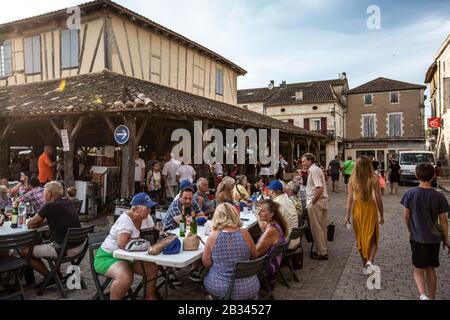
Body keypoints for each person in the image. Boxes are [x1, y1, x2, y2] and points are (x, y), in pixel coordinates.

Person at [94, 193, 159, 300]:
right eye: (147, 208)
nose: (150, 211)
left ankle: (149, 297)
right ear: (135, 209)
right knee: (125, 277)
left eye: (150, 208)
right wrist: (142, 240)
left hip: (130, 257)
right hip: (108, 257)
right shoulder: (125, 220)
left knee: (152, 269)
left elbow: (151, 235)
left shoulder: (147, 218)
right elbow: (122, 244)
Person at [400, 163, 450, 300]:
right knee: (431, 268)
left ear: (417, 175)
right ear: (433, 175)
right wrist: (446, 239)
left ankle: (423, 294)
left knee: (418, 268)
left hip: (418, 237)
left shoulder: (410, 194)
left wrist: (409, 229)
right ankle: (432, 297)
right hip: (434, 237)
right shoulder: (439, 196)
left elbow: (406, 216)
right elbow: (443, 220)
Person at [24, 182, 84, 280]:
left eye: (44, 192)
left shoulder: (48, 206)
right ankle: (57, 273)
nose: (43, 194)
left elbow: (30, 225)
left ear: (50, 193)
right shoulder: (67, 201)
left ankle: (51, 277)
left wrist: (40, 220)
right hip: (80, 246)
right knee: (52, 239)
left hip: (65, 250)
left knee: (24, 251)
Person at [202, 203, 259, 300]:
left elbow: (206, 263)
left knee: (204, 276)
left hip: (220, 286)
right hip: (248, 286)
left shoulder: (213, 236)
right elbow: (254, 256)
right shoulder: (244, 233)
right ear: (234, 214)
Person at [345, 156, 384, 276]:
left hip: (357, 210)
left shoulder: (352, 179)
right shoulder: (374, 178)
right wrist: (381, 215)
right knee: (372, 237)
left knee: (360, 239)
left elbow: (349, 199)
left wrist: (346, 217)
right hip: (370, 209)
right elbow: (378, 197)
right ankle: (370, 261)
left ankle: (365, 265)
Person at [163, 187, 204, 283]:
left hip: (186, 230)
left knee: (198, 241)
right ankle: (170, 272)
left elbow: (202, 215)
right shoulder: (175, 204)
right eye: (185, 198)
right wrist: (193, 217)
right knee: (173, 242)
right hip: (170, 231)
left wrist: (190, 218)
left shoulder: (193, 202)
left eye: (190, 198)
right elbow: (180, 220)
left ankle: (194, 270)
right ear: (180, 197)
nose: (188, 201)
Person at [255, 199, 288, 290]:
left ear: (272, 214)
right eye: (259, 210)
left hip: (268, 265)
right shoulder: (275, 224)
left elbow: (255, 253)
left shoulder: (271, 230)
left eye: (262, 211)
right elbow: (263, 227)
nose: (259, 213)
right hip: (274, 261)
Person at [302, 153, 329, 260]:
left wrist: (312, 203)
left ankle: (321, 252)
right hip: (322, 202)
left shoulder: (313, 170)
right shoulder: (316, 169)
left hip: (316, 203)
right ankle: (323, 249)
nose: (302, 163)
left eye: (304, 161)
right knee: (322, 228)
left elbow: (319, 189)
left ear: (310, 161)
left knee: (316, 228)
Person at [267, 180, 299, 249]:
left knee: (264, 234)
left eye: (268, 190)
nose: (267, 192)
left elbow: (268, 226)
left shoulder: (276, 203)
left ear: (272, 191)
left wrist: (257, 216)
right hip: (295, 238)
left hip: (286, 242)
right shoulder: (288, 200)